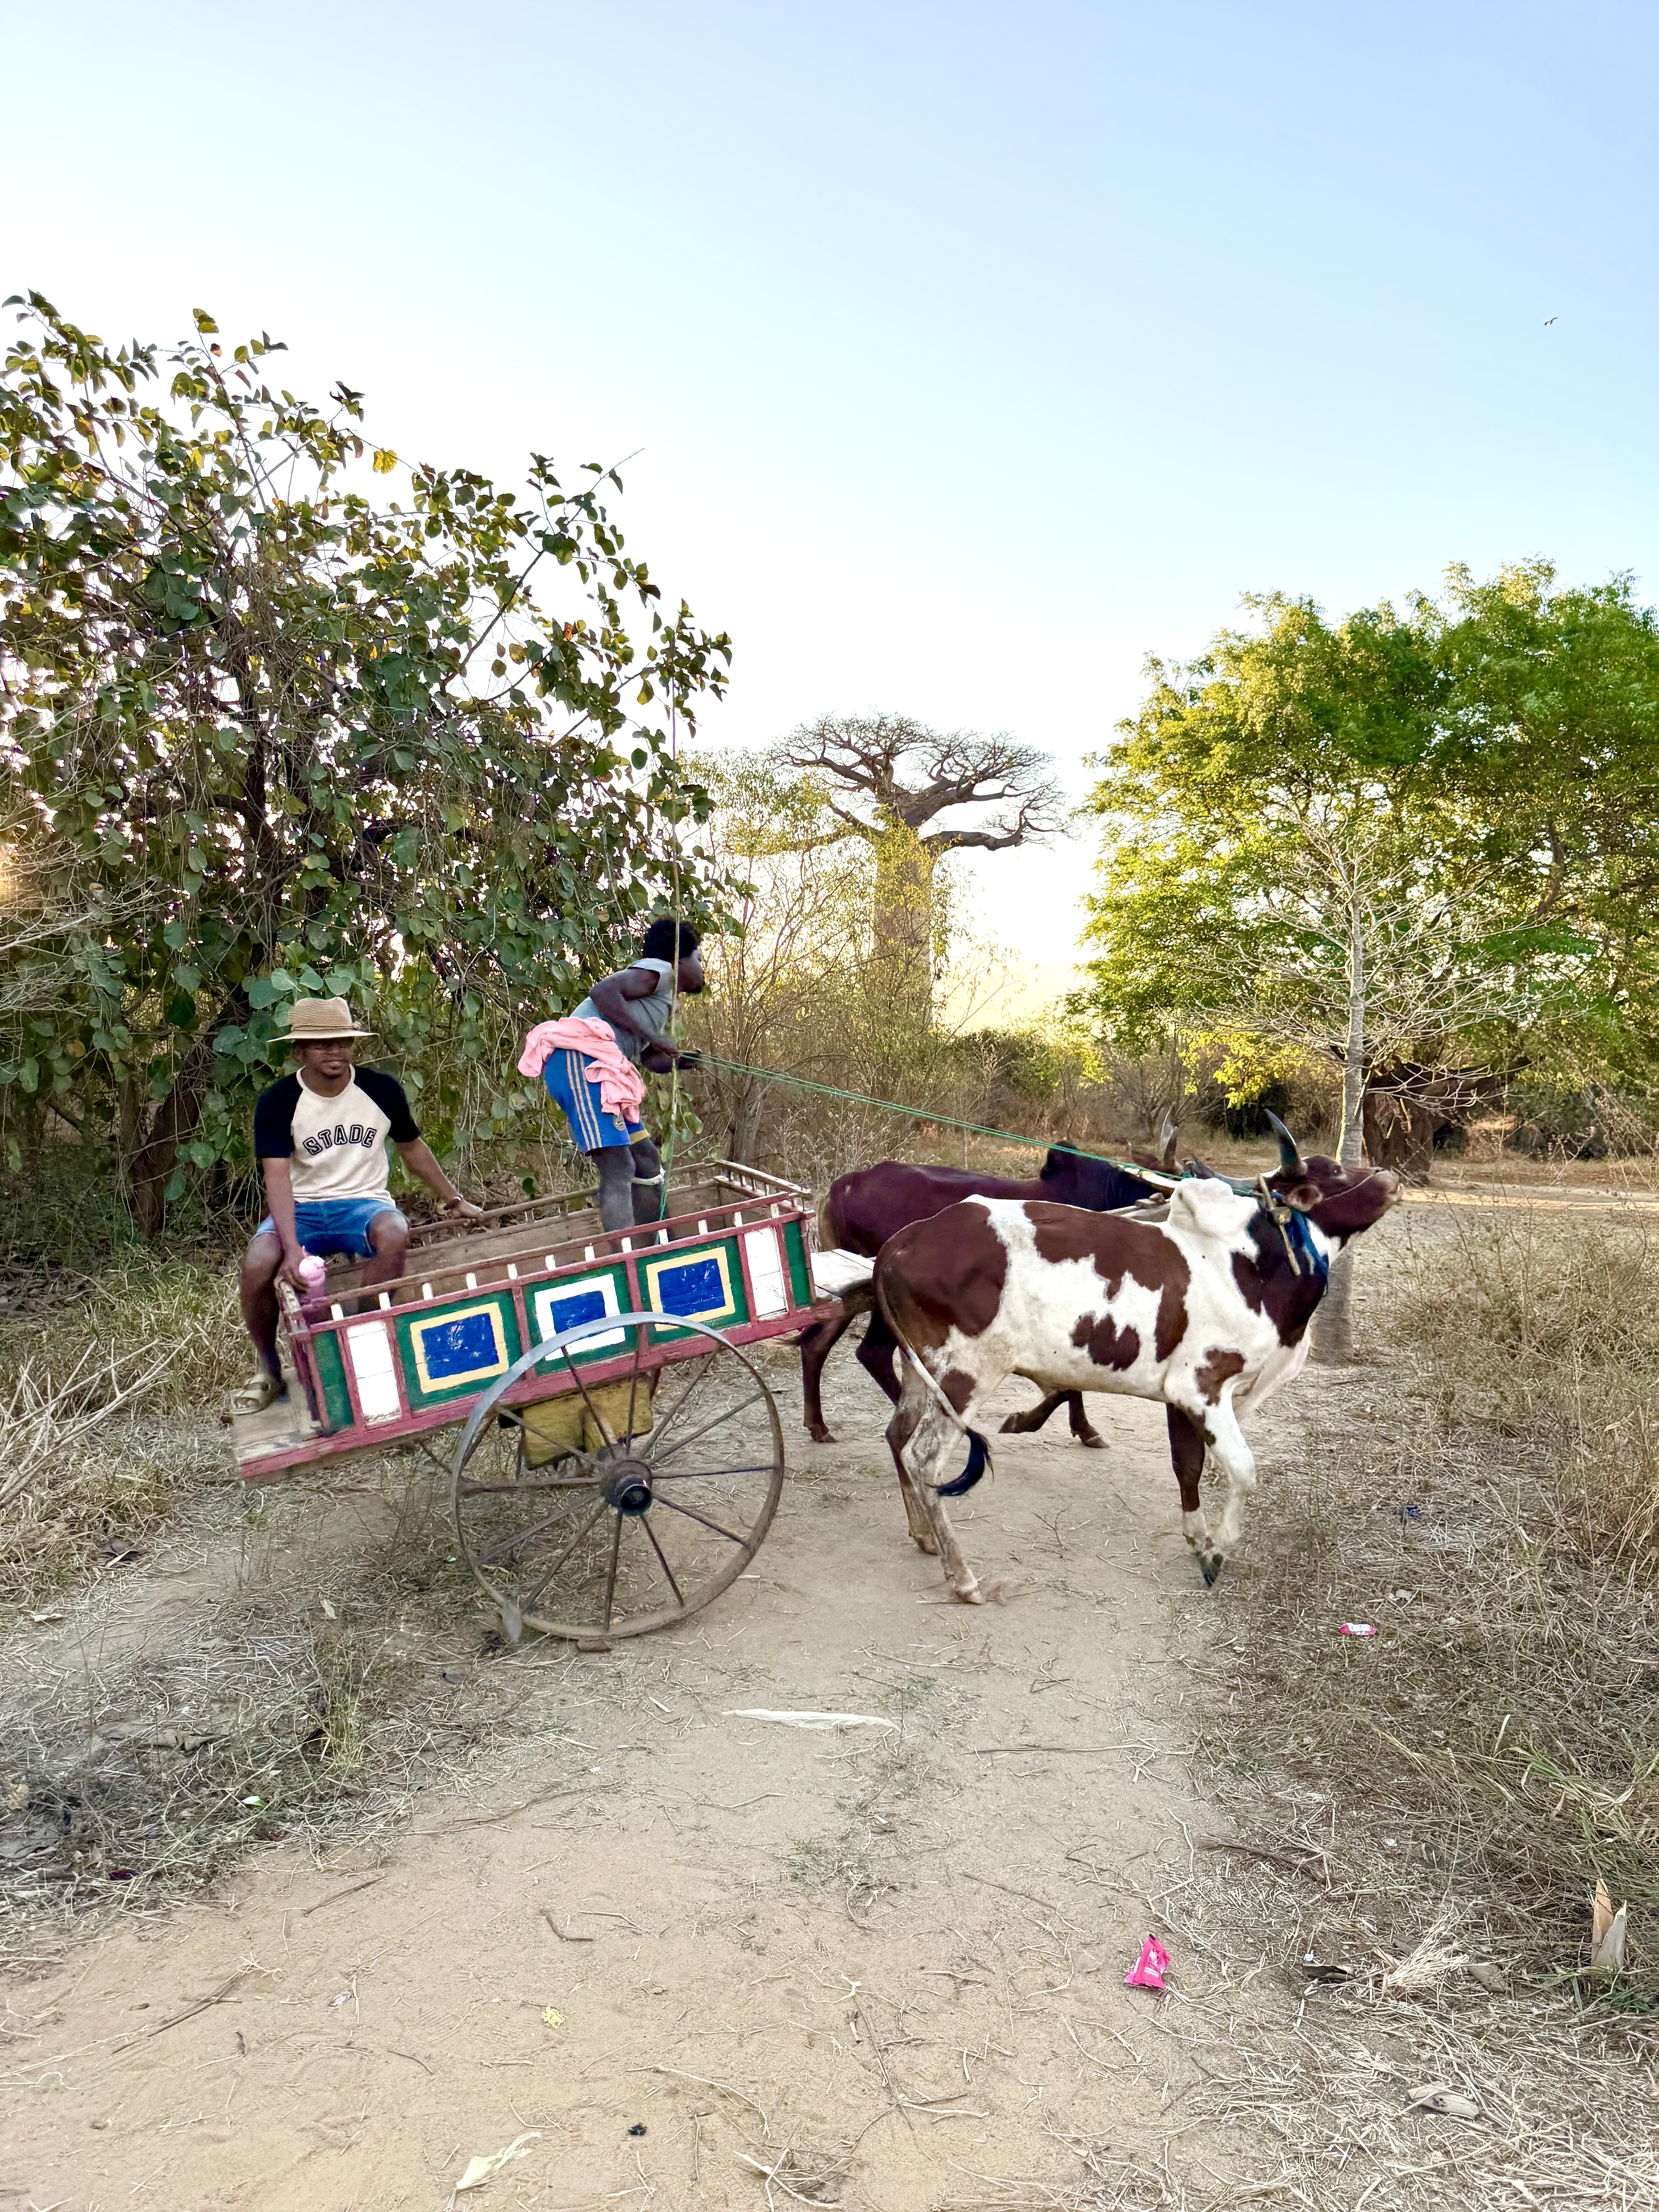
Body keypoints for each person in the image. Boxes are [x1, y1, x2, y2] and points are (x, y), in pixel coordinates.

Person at [239, 996, 482, 1410]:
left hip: (362, 1205)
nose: (334, 1051)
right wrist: (293, 1248)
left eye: (342, 1042)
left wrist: (454, 1199)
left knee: (395, 1232)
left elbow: (413, 1149)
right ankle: (269, 1370)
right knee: (259, 1262)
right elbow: (277, 1177)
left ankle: (363, 1339)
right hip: (304, 1209)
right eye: (321, 1044)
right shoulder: (278, 1101)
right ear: (298, 1051)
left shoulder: (381, 1090)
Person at [518, 919, 704, 1234]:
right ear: (680, 959)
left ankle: (655, 1247)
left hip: (600, 1068)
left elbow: (648, 1058)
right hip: (580, 1059)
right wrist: (655, 1037)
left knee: (646, 1158)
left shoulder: (665, 1001)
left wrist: (678, 1060)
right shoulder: (661, 971)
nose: (703, 970)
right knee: (619, 1165)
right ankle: (627, 1264)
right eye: (700, 960)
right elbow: (604, 993)